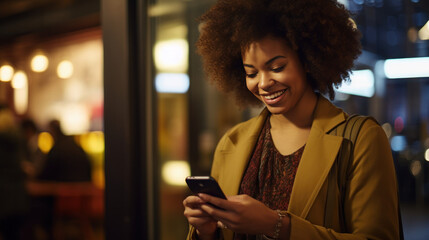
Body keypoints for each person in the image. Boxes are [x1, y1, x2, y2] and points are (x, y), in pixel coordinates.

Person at [183, 0, 401, 239]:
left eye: (276, 67)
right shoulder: (232, 142)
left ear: (307, 61)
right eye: (251, 73)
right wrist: (206, 231)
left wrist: (277, 225)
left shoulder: (361, 139)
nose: (264, 83)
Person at [0, 105, 29, 240]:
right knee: (14, 232)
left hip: (3, 192)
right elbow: (24, 164)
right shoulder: (18, 137)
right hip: (17, 193)